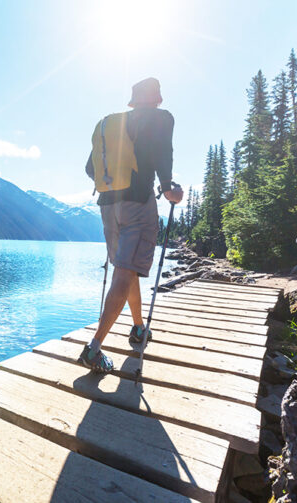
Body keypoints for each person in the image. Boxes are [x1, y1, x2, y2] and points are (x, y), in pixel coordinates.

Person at [81, 77, 183, 372]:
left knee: (126, 270)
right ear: (158, 99)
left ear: (133, 100)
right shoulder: (160, 118)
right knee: (125, 274)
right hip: (138, 204)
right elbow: (164, 153)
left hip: (108, 206)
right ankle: (94, 348)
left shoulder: (112, 126)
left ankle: (138, 328)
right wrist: (167, 186)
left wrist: (112, 185)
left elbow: (90, 168)